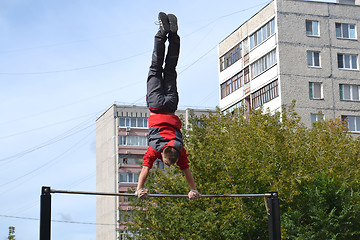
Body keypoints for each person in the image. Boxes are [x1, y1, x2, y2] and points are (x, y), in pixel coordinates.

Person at [135, 12, 200, 200]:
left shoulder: (180, 149)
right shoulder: (155, 149)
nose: (162, 163)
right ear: (163, 155)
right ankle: (161, 33)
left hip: (171, 105)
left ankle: (173, 35)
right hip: (156, 105)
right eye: (164, 162)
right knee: (156, 67)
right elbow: (144, 170)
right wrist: (139, 189)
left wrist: (193, 189)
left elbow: (187, 171)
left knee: (170, 68)